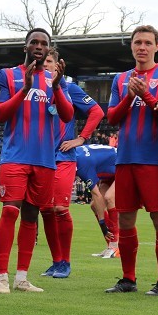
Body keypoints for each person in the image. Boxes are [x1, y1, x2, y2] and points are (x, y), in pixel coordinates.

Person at [0, 28, 73, 293]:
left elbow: (67, 114)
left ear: (49, 49)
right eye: (34, 42)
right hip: (15, 157)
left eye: (43, 43)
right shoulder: (7, 75)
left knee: (31, 216)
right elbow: (0, 114)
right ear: (25, 47)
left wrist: (58, 86)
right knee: (9, 211)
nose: (39, 46)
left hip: (45, 160)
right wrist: (25, 88)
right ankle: (2, 277)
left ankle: (21, 278)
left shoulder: (54, 78)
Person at [104, 25, 158, 297]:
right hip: (125, 159)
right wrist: (129, 96)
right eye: (138, 42)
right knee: (125, 219)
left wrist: (145, 94)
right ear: (131, 46)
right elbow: (112, 117)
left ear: (157, 46)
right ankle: (128, 279)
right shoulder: (121, 78)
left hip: (154, 161)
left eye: (148, 42)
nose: (142, 47)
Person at [40, 48, 104, 279]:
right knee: (46, 210)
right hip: (40, 158)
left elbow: (97, 112)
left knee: (59, 208)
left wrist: (81, 139)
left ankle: (65, 262)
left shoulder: (70, 89)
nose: (45, 65)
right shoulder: (35, 90)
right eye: (42, 62)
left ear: (58, 65)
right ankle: (56, 261)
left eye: (49, 61)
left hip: (63, 157)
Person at [73, 144, 120, 259]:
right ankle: (110, 247)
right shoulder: (76, 155)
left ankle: (115, 246)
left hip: (123, 166)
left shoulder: (82, 165)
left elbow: (97, 195)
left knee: (109, 198)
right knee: (94, 206)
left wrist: (103, 224)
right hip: (111, 169)